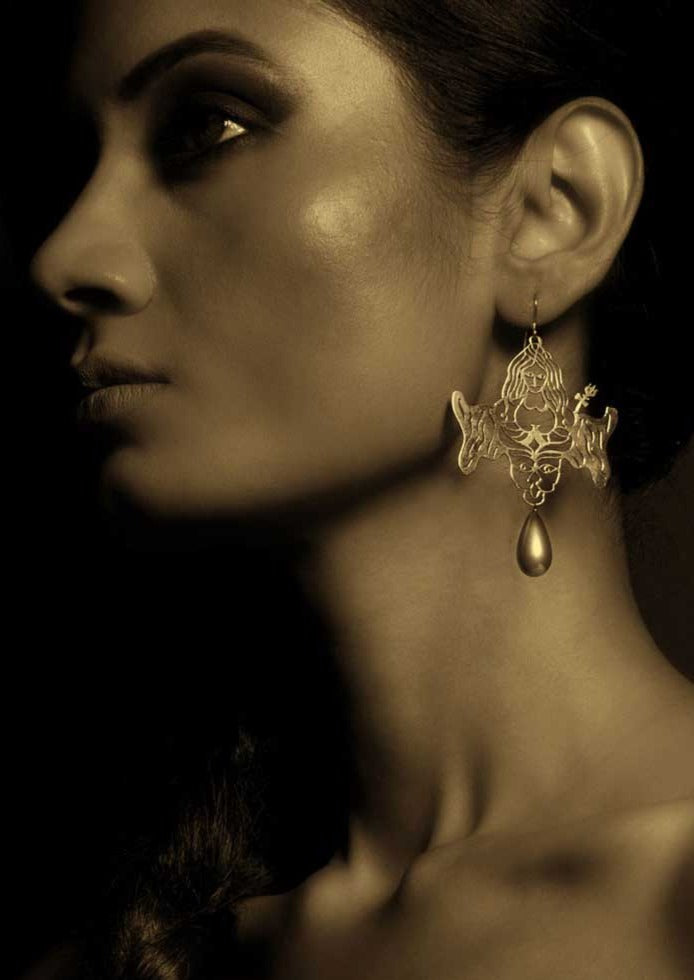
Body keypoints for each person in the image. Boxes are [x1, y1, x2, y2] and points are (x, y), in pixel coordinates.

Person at [20, 0, 694, 976]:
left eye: (206, 126)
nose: (64, 256)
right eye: (72, 168)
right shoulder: (138, 949)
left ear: (556, 208)